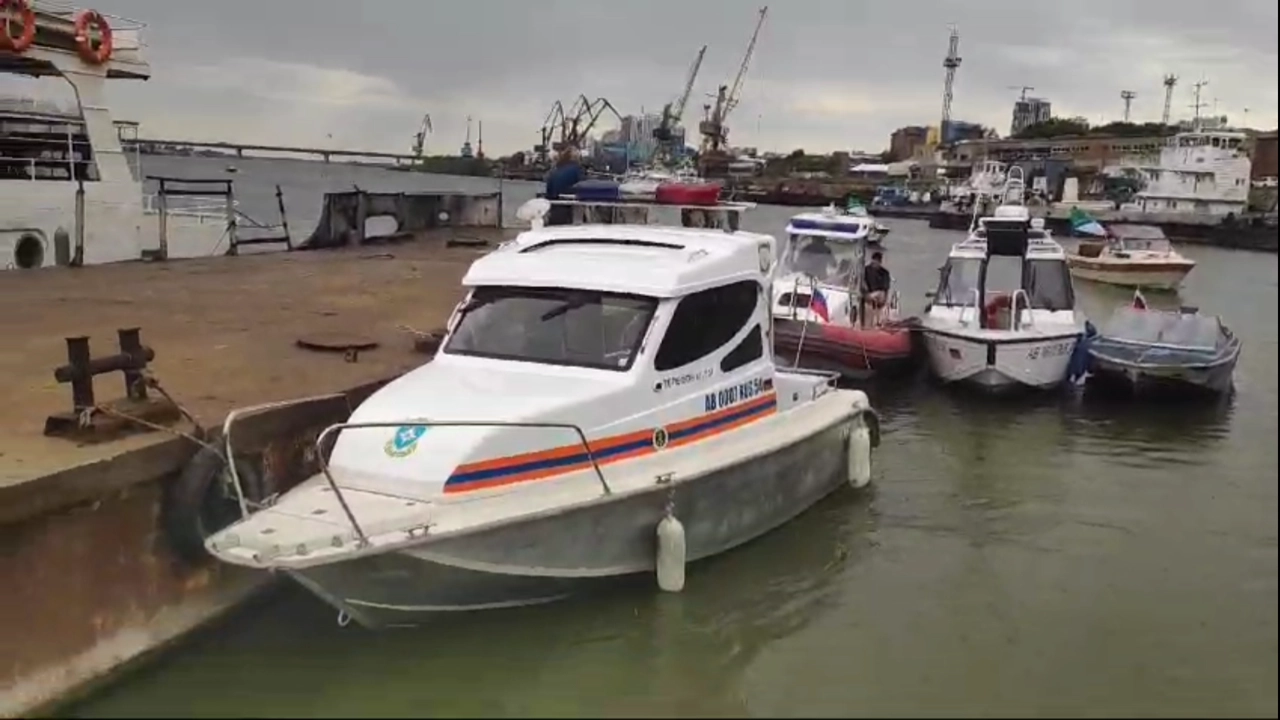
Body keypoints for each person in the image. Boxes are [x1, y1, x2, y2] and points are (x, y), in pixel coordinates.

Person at [544, 149, 583, 226]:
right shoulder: (576, 169)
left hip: (555, 205)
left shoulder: (555, 170)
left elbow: (549, 189)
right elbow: (581, 186)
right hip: (569, 206)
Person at [863, 251, 892, 325]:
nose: (876, 263)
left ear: (880, 262)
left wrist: (884, 300)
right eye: (874, 261)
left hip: (879, 296)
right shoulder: (865, 270)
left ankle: (878, 321)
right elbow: (862, 283)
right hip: (868, 294)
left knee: (881, 294)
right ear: (872, 260)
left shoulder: (885, 273)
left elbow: (886, 289)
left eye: (878, 261)